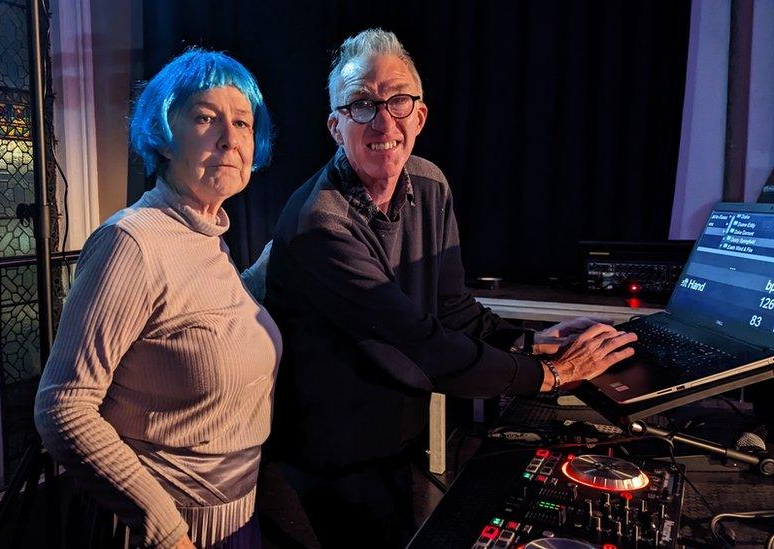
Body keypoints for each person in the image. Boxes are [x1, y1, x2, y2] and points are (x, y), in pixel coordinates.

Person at [265, 29, 637, 547]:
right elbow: (418, 339)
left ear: (420, 114)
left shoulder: (431, 183)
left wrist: (536, 342)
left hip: (394, 439)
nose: (383, 119)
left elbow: (455, 310)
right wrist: (549, 376)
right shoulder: (320, 223)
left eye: (398, 99)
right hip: (326, 456)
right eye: (361, 105)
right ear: (335, 126)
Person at [35, 49, 281, 549]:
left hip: (237, 519)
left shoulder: (205, 232)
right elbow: (62, 408)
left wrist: (289, 252)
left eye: (242, 122)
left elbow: (204, 320)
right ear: (165, 135)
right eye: (206, 117)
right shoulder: (132, 242)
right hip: (171, 533)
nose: (230, 139)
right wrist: (166, 532)